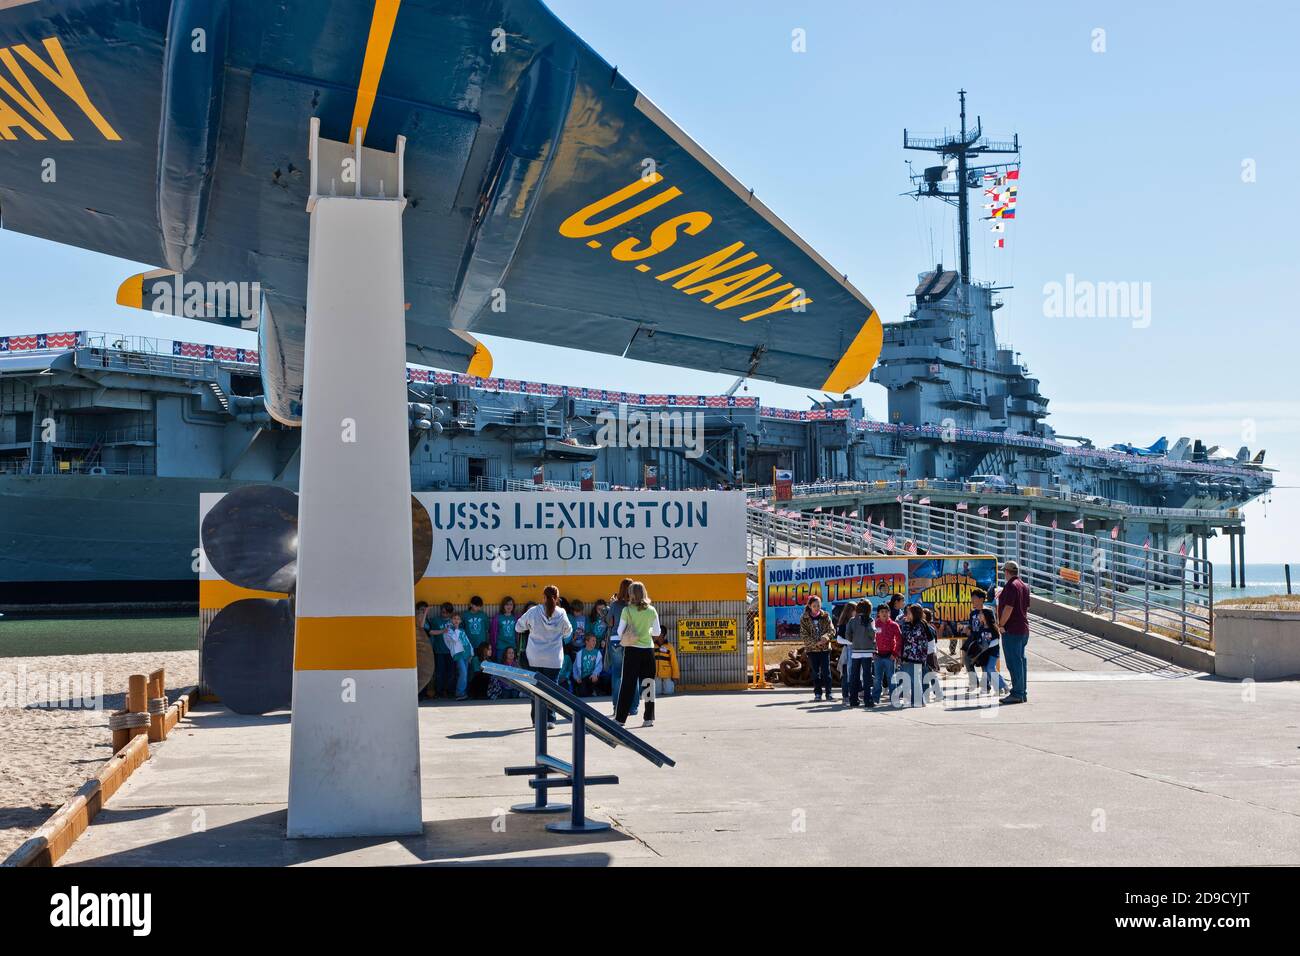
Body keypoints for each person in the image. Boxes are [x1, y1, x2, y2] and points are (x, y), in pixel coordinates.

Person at [514, 586, 572, 726]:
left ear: (543, 597)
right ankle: (550, 719)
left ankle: (536, 720)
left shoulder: (533, 611)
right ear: (557, 598)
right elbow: (568, 632)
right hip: (554, 658)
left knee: (536, 687)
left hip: (534, 657)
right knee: (551, 688)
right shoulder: (562, 613)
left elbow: (518, 627)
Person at [614, 581, 660, 727]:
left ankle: (620, 719)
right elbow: (657, 632)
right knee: (648, 685)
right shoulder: (652, 610)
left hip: (632, 650)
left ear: (631, 594)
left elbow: (619, 632)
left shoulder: (627, 611)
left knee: (628, 684)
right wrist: (648, 631)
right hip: (648, 651)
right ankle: (648, 718)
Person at [997, 561, 1031, 704]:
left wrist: (1001, 624)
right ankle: (1022, 692)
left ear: (1006, 572)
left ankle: (1017, 693)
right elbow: (1026, 607)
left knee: (1014, 662)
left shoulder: (1011, 586)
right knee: (1020, 661)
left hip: (1012, 630)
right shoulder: (1024, 586)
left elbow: (1008, 608)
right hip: (1023, 629)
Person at [606, 579, 638, 715]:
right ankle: (633, 707)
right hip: (632, 640)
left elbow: (609, 621)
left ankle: (616, 706)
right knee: (632, 674)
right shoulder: (636, 605)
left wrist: (611, 606)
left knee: (617, 675)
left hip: (616, 640)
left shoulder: (615, 604)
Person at [799, 595, 835, 703]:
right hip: (812, 651)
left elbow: (832, 630)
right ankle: (818, 693)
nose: (817, 608)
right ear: (810, 606)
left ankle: (829, 693)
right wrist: (816, 644)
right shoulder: (804, 618)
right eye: (814, 606)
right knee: (815, 673)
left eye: (818, 605)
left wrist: (826, 637)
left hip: (824, 650)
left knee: (826, 672)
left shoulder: (826, 616)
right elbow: (804, 635)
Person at [897, 604, 934, 707]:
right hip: (911, 656)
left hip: (915, 657)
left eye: (909, 613)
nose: (907, 615)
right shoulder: (915, 624)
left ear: (914, 614)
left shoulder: (919, 624)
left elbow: (910, 637)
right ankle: (917, 700)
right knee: (913, 679)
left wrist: (906, 624)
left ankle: (918, 701)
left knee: (915, 680)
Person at [844, 601, 876, 709]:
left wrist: (854, 641)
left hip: (855, 651)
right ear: (869, 609)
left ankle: (853, 700)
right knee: (867, 677)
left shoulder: (852, 620)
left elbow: (847, 635)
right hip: (867, 651)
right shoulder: (870, 620)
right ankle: (868, 700)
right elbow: (872, 634)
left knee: (854, 676)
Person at [871, 603, 900, 706]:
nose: (884, 614)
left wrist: (895, 653)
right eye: (882, 612)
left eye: (886, 612)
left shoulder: (894, 625)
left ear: (889, 613)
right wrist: (873, 652)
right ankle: (875, 699)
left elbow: (899, 640)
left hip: (890, 656)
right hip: (878, 656)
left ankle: (894, 699)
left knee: (891, 678)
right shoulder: (874, 624)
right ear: (878, 613)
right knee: (877, 679)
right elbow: (870, 639)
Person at [960, 589, 988, 691]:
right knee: (967, 659)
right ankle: (975, 682)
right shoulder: (972, 613)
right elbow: (972, 626)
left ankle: (985, 684)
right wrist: (967, 629)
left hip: (984, 641)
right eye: (971, 598)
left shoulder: (988, 611)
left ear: (981, 599)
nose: (972, 601)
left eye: (974, 599)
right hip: (974, 639)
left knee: (984, 663)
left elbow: (992, 626)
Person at [976, 607, 1007, 695]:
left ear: (986, 616)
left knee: (990, 668)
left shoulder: (993, 627)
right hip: (984, 654)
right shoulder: (981, 627)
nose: (979, 615)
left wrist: (987, 646)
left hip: (993, 653)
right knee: (986, 669)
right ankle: (998, 688)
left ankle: (1004, 685)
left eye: (981, 614)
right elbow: (979, 639)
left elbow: (996, 640)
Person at [442, 611, 472, 701]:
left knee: (465, 674)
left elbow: (467, 642)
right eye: (454, 618)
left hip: (466, 653)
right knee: (463, 673)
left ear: (461, 621)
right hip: (458, 655)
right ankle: (459, 693)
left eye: (458, 619)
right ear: (451, 620)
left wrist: (471, 653)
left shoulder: (461, 630)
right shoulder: (448, 630)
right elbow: (454, 639)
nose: (456, 620)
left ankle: (463, 692)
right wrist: (456, 628)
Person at [415, 601, 435, 699]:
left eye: (425, 609)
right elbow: (421, 626)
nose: (423, 611)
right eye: (422, 609)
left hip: (428, 645)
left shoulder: (427, 620)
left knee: (428, 670)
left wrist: (444, 631)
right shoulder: (419, 616)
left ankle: (425, 693)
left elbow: (430, 631)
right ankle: (420, 694)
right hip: (421, 647)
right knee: (423, 671)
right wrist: (425, 613)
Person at [572, 632, 604, 697]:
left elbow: (599, 666)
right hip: (582, 678)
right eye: (593, 640)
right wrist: (576, 677)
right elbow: (574, 667)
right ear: (587, 642)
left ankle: (594, 691)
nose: (595, 642)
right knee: (583, 694)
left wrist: (595, 674)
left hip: (593, 677)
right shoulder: (580, 653)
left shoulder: (597, 653)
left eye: (595, 641)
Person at [490, 596, 518, 662]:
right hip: (501, 647)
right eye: (507, 604)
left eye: (511, 604)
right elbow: (493, 633)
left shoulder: (516, 617)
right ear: (503, 606)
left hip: (512, 646)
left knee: (511, 668)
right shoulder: (497, 618)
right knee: (500, 668)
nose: (509, 606)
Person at [653, 629, 679, 697]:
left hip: (667, 674)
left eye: (662, 634)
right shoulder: (652, 646)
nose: (659, 636)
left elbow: (674, 662)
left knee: (668, 692)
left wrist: (675, 675)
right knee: (656, 692)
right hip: (655, 674)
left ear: (664, 635)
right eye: (658, 634)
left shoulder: (669, 647)